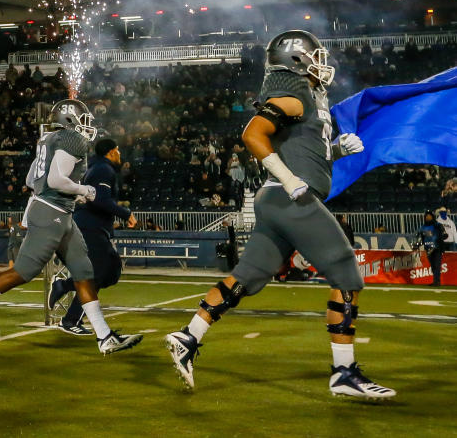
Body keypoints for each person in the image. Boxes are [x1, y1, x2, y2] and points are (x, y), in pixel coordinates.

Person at [165, 30, 395, 400]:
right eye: (314, 56)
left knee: (249, 276)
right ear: (297, 60)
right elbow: (253, 134)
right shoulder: (293, 93)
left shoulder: (308, 97)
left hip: (277, 200)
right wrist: (289, 180)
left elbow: (304, 151)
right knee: (345, 269)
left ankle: (188, 336)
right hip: (288, 197)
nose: (322, 64)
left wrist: (335, 151)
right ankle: (343, 373)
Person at [0, 99, 141, 356]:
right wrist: (82, 189)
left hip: (60, 213)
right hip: (52, 213)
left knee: (85, 272)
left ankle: (104, 337)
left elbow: (32, 179)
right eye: (83, 120)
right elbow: (55, 179)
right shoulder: (72, 140)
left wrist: (69, 193)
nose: (87, 126)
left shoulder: (48, 140)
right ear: (70, 120)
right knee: (24, 271)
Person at [48, 136, 136, 336]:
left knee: (110, 271)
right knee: (98, 273)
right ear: (111, 152)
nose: (120, 154)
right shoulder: (103, 170)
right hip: (89, 228)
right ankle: (68, 310)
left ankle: (66, 297)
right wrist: (126, 213)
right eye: (118, 151)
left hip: (94, 228)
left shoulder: (98, 168)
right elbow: (100, 200)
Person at [417, 211, 445, 287]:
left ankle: (436, 282)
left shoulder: (438, 225)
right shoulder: (422, 227)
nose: (428, 217)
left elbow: (444, 234)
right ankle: (436, 281)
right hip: (428, 249)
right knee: (433, 266)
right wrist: (418, 244)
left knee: (437, 265)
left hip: (437, 248)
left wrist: (442, 237)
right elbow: (420, 238)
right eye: (427, 216)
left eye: (429, 216)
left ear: (432, 217)